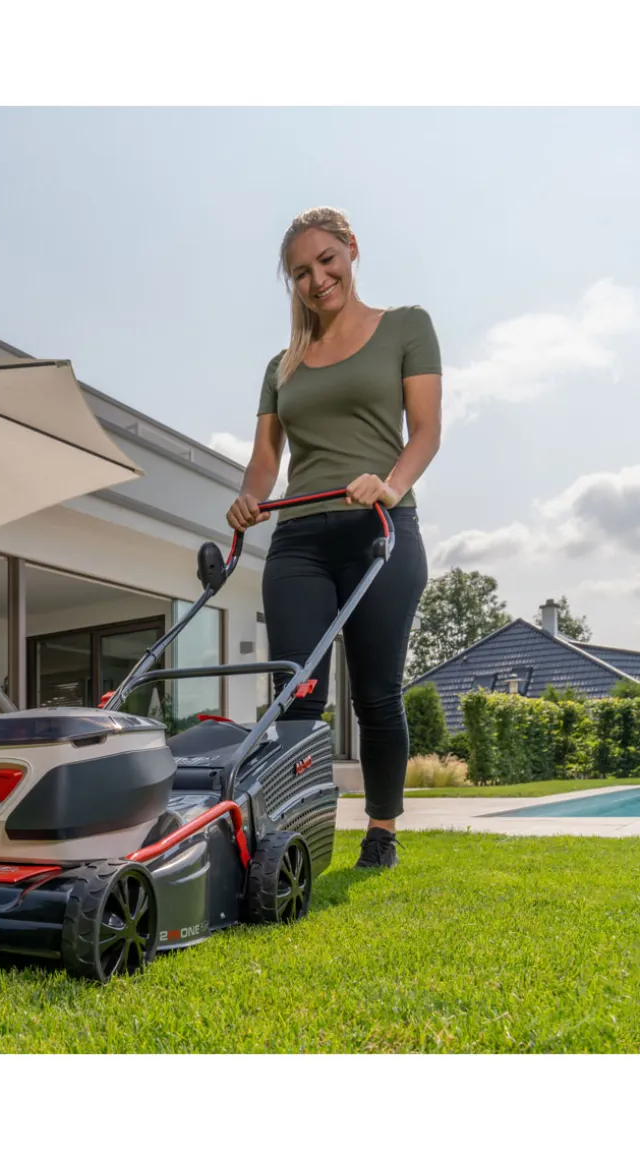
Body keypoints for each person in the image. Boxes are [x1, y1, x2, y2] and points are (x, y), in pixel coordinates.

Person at [226, 206, 442, 869]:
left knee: (375, 692)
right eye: (300, 272)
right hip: (298, 538)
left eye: (326, 260)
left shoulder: (406, 326)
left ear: (352, 250)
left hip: (379, 529)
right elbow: (266, 460)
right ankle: (293, 838)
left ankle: (381, 832)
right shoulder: (282, 365)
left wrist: (390, 486)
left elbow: (426, 431)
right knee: (297, 694)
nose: (316, 279)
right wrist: (249, 497)